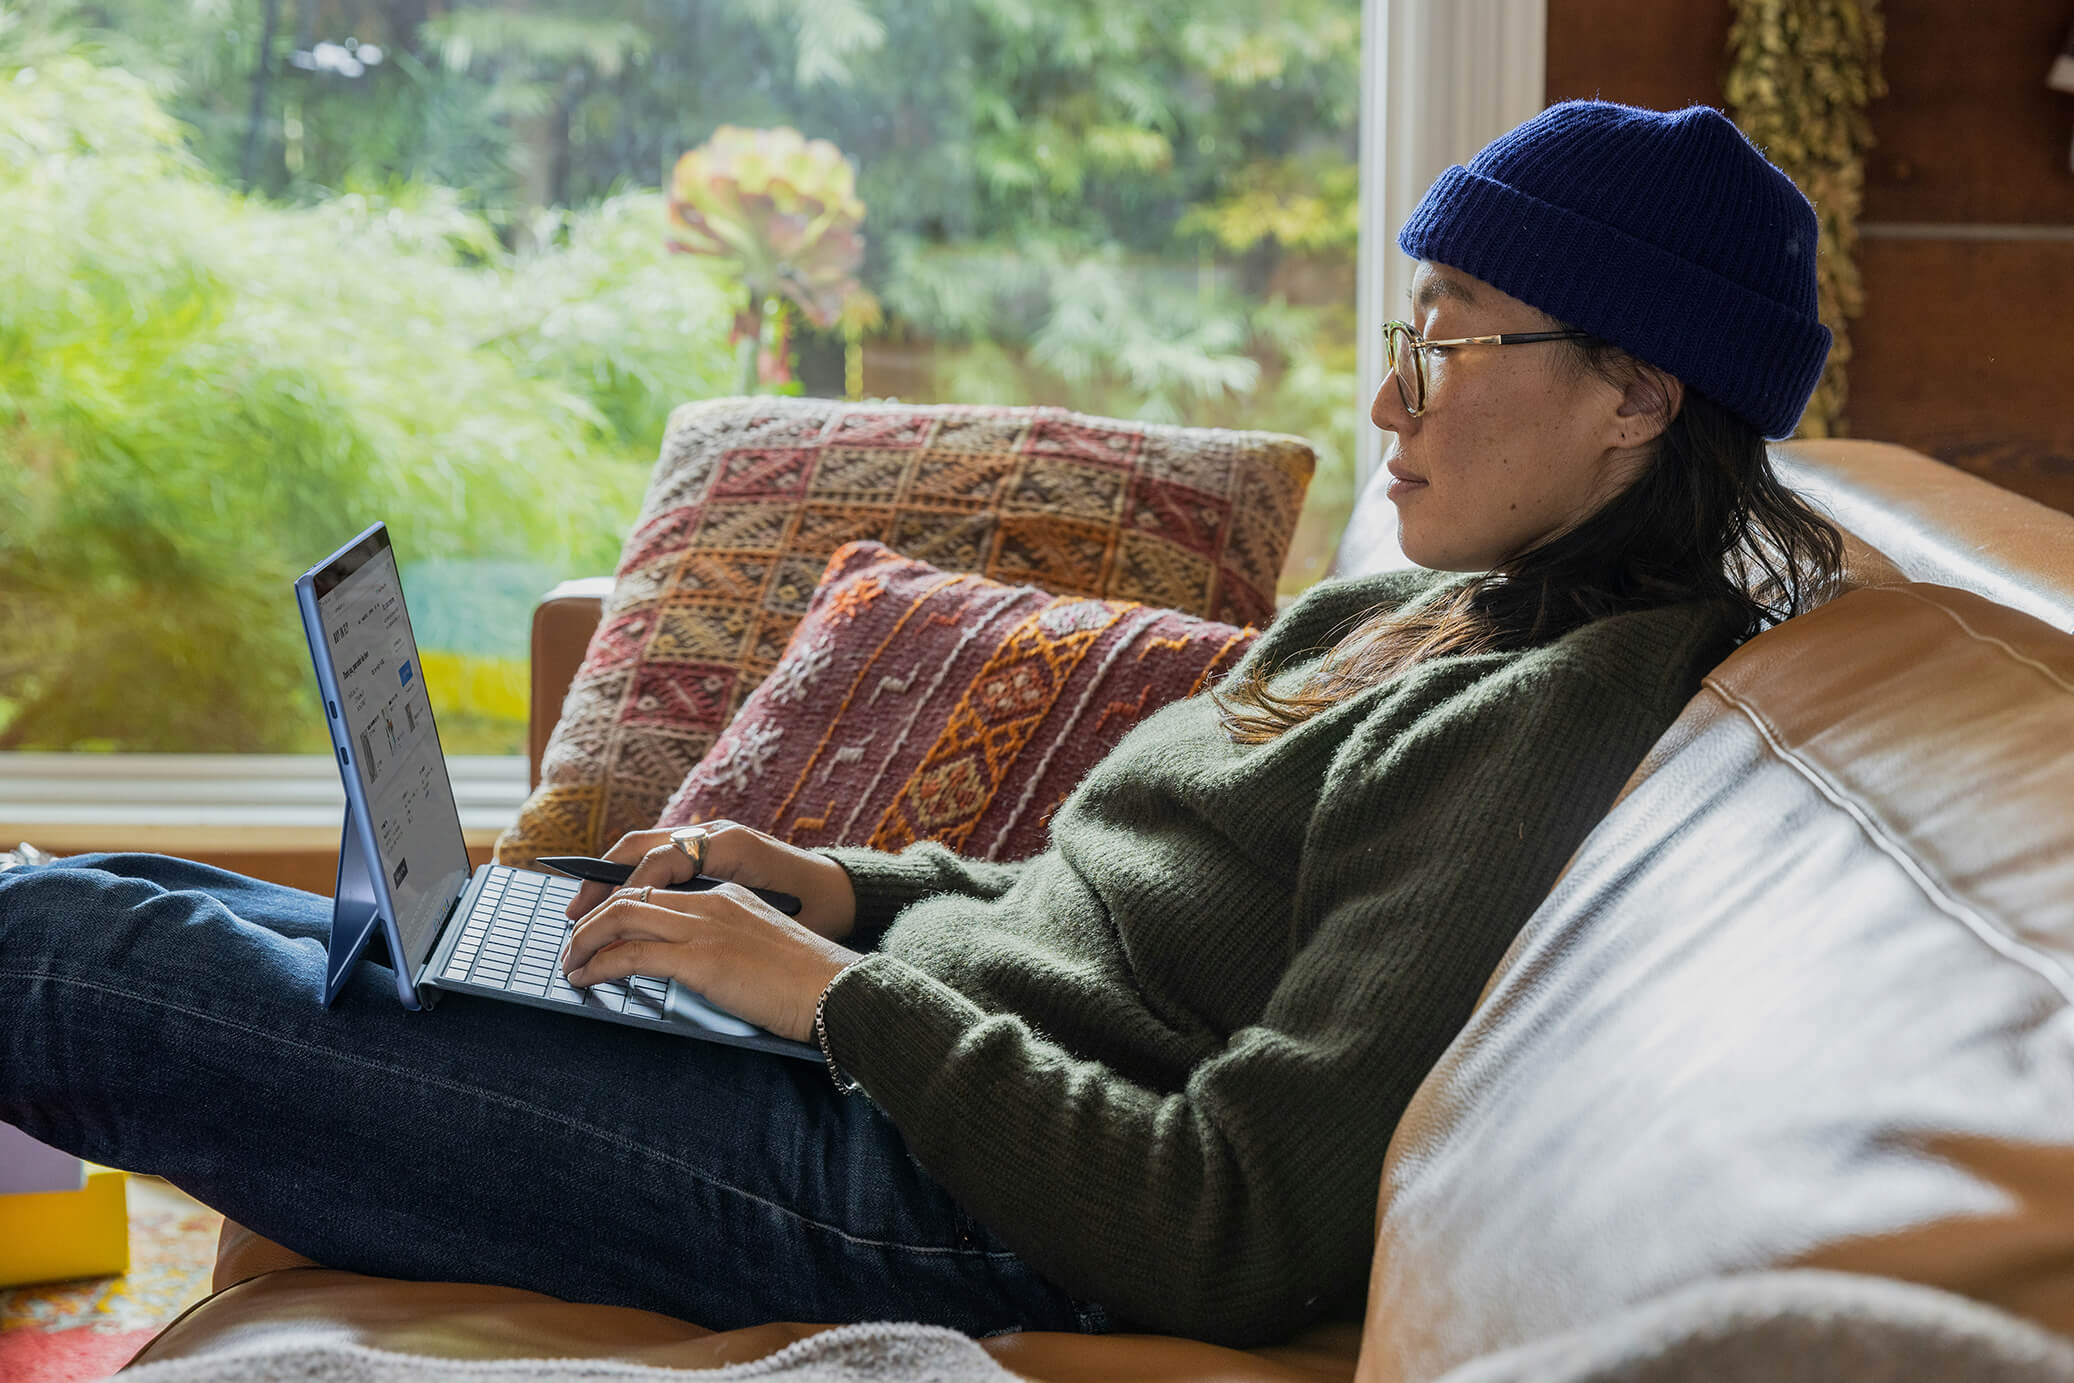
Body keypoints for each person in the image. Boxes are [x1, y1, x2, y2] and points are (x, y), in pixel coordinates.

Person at [0, 100, 1843, 1350]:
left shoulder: (1555, 713)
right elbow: (1108, 919)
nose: (1386, 393)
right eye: (1403, 327)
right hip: (885, 1067)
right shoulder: (1416, 607)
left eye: (1450, 341)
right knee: (175, 905)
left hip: (941, 1195)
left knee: (66, 958)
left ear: (1634, 395)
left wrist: (833, 1001)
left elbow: (1238, 1220)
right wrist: (837, 894)